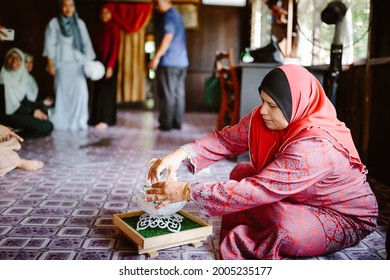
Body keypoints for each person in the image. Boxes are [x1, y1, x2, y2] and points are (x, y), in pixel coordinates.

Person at [144, 64, 378, 260]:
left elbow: (258, 189)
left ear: (295, 105)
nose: (263, 111)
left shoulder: (316, 146)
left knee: (285, 227)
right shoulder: (262, 117)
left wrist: (186, 191)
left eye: (273, 106)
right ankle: (274, 210)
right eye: (263, 101)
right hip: (296, 193)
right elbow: (227, 140)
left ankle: (274, 219)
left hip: (340, 214)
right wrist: (179, 154)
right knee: (240, 172)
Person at [43, 0, 95, 131]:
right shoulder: (54, 23)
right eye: (65, 5)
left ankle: (79, 122)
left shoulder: (79, 23)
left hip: (78, 65)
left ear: (74, 7)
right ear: (60, 7)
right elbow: (50, 44)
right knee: (62, 94)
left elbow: (86, 44)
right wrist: (50, 64)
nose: (68, 9)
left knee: (81, 93)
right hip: (62, 65)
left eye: (71, 5)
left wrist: (89, 64)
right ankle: (62, 123)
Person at [148, 0, 189, 131]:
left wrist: (156, 57)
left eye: (157, 2)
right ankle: (177, 124)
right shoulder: (177, 14)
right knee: (178, 93)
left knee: (167, 94)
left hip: (170, 62)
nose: (156, 6)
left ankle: (165, 125)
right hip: (182, 62)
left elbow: (168, 37)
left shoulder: (168, 16)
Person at [0, 48, 54, 139]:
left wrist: (40, 105)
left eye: (18, 58)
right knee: (46, 127)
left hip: (17, 113)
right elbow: (10, 107)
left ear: (21, 62)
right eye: (11, 57)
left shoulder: (21, 78)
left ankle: (10, 136)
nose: (14, 61)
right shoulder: (2, 78)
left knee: (47, 123)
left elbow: (24, 101)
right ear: (6, 59)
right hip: (7, 116)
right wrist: (32, 112)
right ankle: (10, 136)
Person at [89, 3, 120, 130]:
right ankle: (96, 118)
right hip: (99, 63)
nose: (104, 15)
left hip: (110, 64)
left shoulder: (114, 28)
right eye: (102, 12)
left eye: (107, 12)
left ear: (112, 13)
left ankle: (106, 120)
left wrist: (110, 67)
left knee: (107, 92)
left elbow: (115, 49)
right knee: (98, 91)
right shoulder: (100, 28)